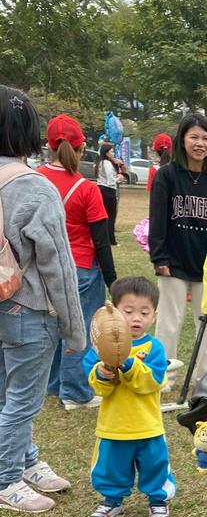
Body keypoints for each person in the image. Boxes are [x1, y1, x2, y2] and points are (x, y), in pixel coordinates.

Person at [0, 87, 85, 513]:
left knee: (5, 392)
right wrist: (75, 328)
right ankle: (5, 478)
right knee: (22, 400)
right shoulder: (34, 187)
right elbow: (58, 267)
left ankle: (26, 460)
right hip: (29, 309)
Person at [148, 113, 207, 385]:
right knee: (169, 321)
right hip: (173, 261)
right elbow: (158, 219)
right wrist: (159, 257)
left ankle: (203, 377)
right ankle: (164, 376)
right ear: (182, 141)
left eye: (205, 138)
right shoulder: (167, 176)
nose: (200, 143)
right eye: (194, 137)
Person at [83, 277, 175, 517]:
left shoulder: (154, 348)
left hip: (148, 425)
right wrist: (102, 373)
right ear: (113, 313)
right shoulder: (100, 348)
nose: (136, 318)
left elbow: (153, 381)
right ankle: (112, 500)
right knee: (111, 466)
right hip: (114, 425)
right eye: (128, 311)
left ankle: (158, 500)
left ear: (154, 316)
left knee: (155, 464)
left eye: (144, 312)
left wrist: (128, 364)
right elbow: (98, 386)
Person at [39, 115, 117, 411]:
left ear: (49, 146)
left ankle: (53, 383)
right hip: (81, 267)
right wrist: (112, 281)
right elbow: (101, 241)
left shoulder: (34, 179)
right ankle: (74, 391)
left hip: (43, 266)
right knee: (79, 328)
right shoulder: (86, 189)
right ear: (82, 148)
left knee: (52, 326)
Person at [94, 143, 121, 245]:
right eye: (112, 151)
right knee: (111, 215)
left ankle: (104, 237)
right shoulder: (107, 163)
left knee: (104, 215)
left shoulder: (100, 162)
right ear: (107, 153)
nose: (113, 153)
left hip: (101, 189)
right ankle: (111, 239)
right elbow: (110, 181)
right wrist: (118, 179)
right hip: (108, 190)